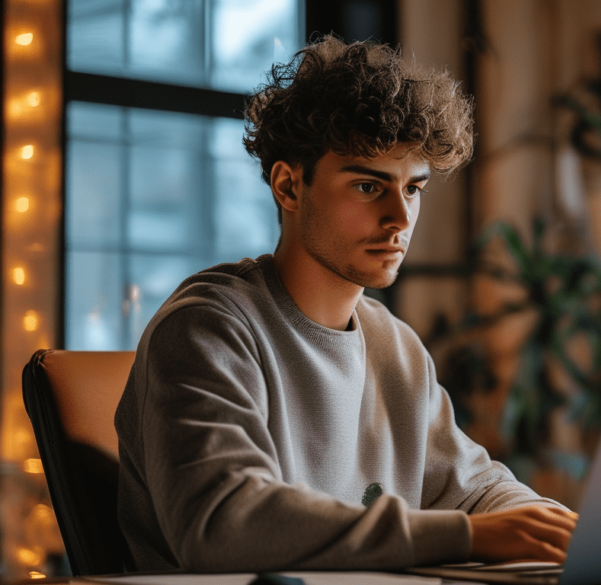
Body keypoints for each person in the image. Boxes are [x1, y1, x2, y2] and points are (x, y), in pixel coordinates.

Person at [114, 36, 576, 573]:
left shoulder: (394, 345)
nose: (400, 220)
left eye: (413, 189)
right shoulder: (206, 329)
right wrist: (468, 537)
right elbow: (224, 523)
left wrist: (562, 530)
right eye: (367, 186)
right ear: (289, 186)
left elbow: (477, 491)